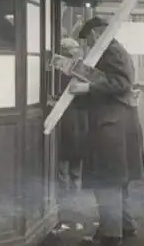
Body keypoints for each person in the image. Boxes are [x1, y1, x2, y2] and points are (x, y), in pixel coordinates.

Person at [70, 17, 144, 246]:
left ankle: (111, 236)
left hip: (112, 128)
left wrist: (86, 86)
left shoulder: (111, 50)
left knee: (107, 182)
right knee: (117, 181)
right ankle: (125, 226)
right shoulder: (113, 50)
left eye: (87, 40)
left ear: (94, 34)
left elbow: (122, 83)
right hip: (117, 126)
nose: (87, 45)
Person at [58, 37, 88, 194]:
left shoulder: (59, 68)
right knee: (76, 162)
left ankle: (65, 194)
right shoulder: (83, 69)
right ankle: (75, 193)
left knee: (63, 161)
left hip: (66, 117)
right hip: (80, 118)